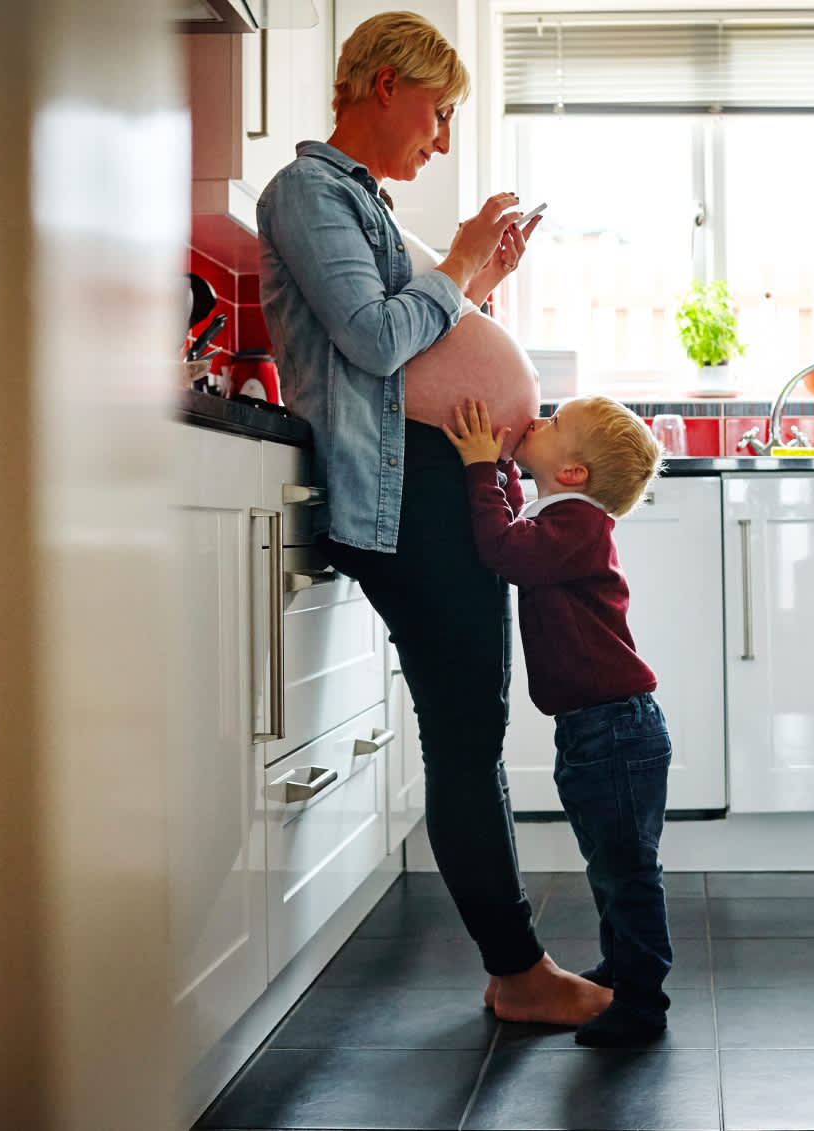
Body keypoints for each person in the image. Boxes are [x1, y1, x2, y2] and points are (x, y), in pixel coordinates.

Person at [255, 11, 609, 1026]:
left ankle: (516, 968)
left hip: (437, 481)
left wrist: (478, 277)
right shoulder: (307, 191)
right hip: (402, 490)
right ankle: (518, 972)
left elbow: (423, 339)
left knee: (473, 728)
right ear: (384, 85)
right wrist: (457, 267)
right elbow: (371, 342)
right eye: (439, 110)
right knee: (466, 733)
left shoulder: (358, 200)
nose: (442, 137)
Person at [442, 396, 674, 1047]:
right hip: (596, 729)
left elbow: (505, 550)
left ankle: (643, 999)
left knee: (627, 870)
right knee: (612, 865)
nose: (537, 420)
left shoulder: (578, 525)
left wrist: (481, 468)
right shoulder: (562, 514)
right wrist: (506, 474)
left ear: (572, 473)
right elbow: (520, 528)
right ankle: (626, 969)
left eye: (553, 423)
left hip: (614, 731)